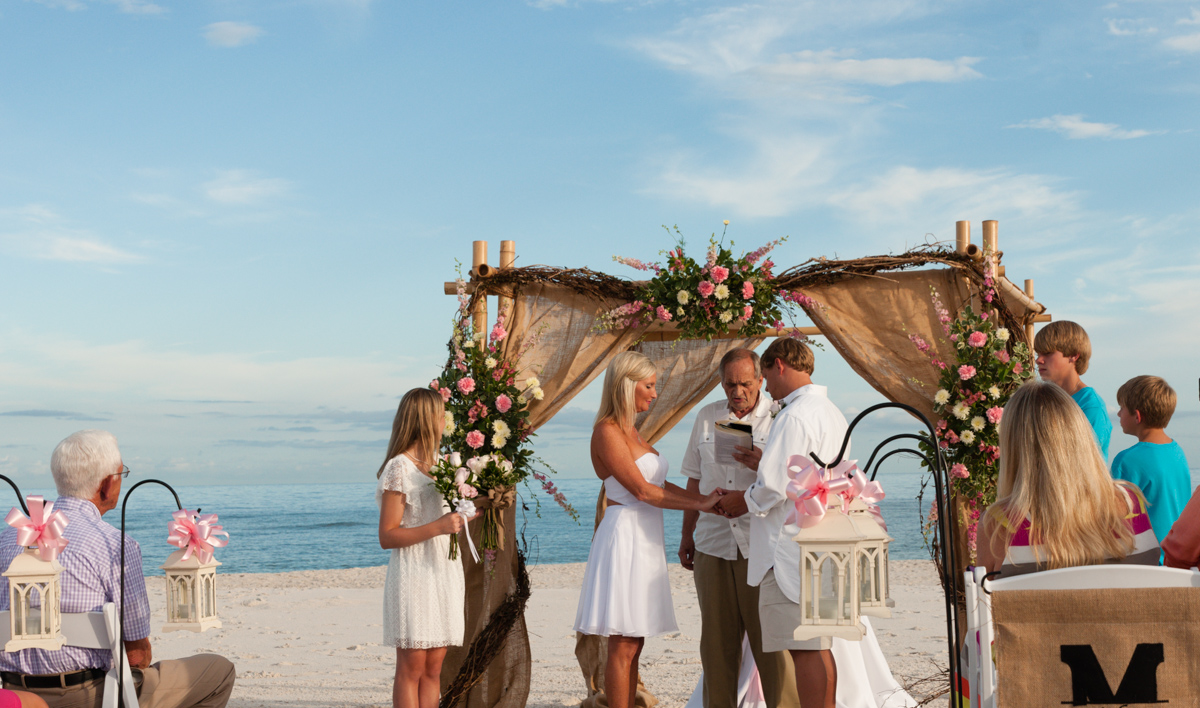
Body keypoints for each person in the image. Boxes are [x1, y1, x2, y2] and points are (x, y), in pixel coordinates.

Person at [0, 430, 235, 708]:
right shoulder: (115, 545)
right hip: (90, 695)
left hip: (15, 692)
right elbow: (135, 655)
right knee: (219, 671)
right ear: (107, 484)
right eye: (121, 476)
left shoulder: (8, 538)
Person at [574, 351, 722, 708]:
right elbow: (642, 491)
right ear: (626, 386)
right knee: (622, 643)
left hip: (645, 537)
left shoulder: (633, 432)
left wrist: (702, 497)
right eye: (649, 386)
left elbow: (660, 484)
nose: (655, 394)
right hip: (624, 536)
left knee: (635, 640)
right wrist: (700, 504)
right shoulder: (607, 432)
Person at [717, 338, 846, 708]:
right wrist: (766, 465)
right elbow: (803, 473)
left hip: (788, 546)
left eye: (765, 375)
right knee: (819, 646)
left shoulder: (793, 414)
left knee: (802, 649)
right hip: (819, 537)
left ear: (779, 366)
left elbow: (773, 486)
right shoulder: (829, 410)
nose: (765, 385)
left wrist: (741, 501)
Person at [679, 349, 799, 708]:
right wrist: (687, 534)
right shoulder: (706, 416)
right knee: (716, 646)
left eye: (745, 383)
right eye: (730, 384)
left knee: (773, 645)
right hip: (713, 544)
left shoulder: (781, 419)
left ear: (760, 380)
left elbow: (796, 484)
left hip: (761, 546)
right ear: (721, 382)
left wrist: (764, 462)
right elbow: (693, 480)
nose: (737, 391)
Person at [977, 382, 1160, 577]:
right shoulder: (1131, 502)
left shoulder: (999, 525)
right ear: (1079, 435)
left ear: (1013, 445)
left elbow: (985, 602)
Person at [377, 388, 473, 708]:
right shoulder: (398, 468)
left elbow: (452, 515)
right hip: (414, 573)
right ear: (424, 419)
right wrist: (439, 527)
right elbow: (387, 536)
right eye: (441, 413)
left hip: (443, 572)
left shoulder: (443, 464)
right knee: (412, 667)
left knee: (434, 669)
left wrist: (475, 507)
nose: (445, 419)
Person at [1110, 376, 1191, 546]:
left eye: (1122, 408)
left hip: (1148, 559)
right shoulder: (1177, 452)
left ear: (1137, 416)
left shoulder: (1127, 460)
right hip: (1175, 554)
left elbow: (1112, 519)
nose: (1118, 413)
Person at [1034, 320, 1111, 460]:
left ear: (1074, 355)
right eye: (1038, 353)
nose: (1038, 360)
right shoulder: (1042, 400)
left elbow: (1084, 467)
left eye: (1047, 353)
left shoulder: (1091, 407)